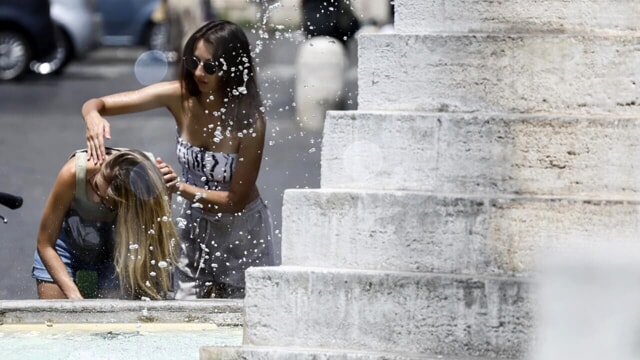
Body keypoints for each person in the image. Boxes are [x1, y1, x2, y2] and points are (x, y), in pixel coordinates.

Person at [81, 20, 276, 299]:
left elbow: (236, 200)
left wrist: (179, 187)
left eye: (210, 67)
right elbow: (97, 103)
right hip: (193, 226)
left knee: (245, 315)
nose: (198, 72)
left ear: (232, 68)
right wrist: (92, 118)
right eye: (193, 61)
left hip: (241, 231)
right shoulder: (179, 95)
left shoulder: (249, 119)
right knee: (187, 312)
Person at [33, 148, 180, 300]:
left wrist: (167, 193)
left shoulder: (148, 181)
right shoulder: (74, 172)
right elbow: (45, 244)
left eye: (108, 204)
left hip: (118, 248)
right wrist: (74, 297)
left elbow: (157, 239)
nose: (96, 201)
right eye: (95, 187)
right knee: (56, 316)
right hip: (66, 246)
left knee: (122, 317)